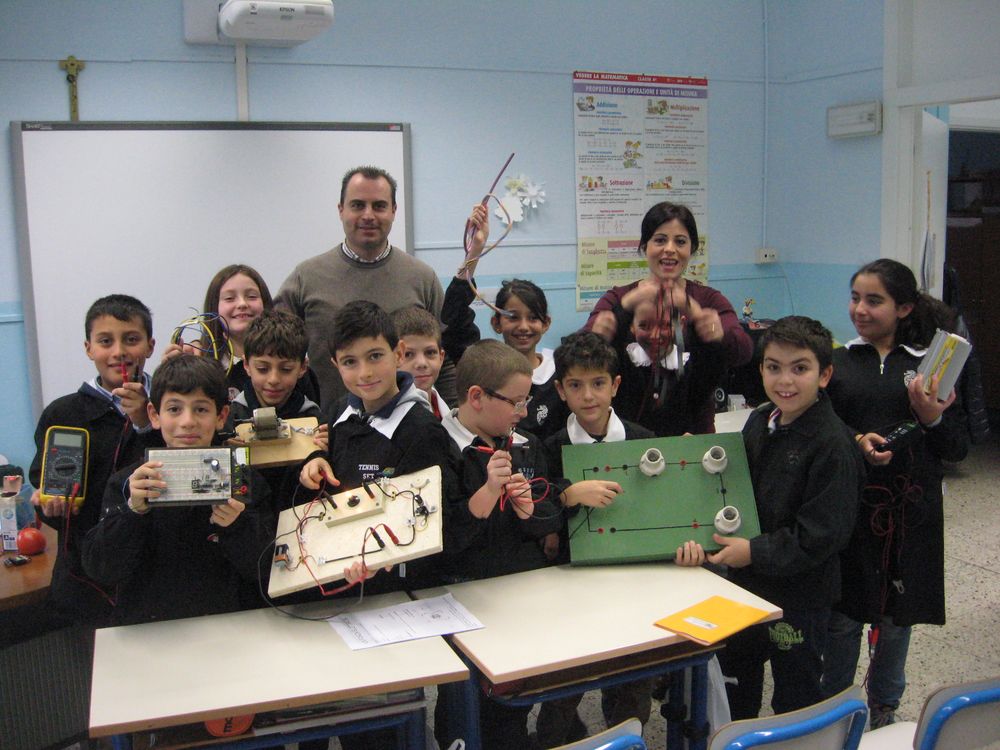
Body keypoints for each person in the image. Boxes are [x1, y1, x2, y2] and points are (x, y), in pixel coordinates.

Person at [676, 316, 861, 720]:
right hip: (748, 584)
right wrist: (700, 460)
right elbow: (736, 482)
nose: (785, 380)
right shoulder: (761, 419)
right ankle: (739, 738)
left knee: (796, 692)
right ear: (760, 370)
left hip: (800, 596)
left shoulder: (833, 445)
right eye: (774, 367)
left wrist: (753, 552)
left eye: (800, 368)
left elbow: (821, 535)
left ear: (824, 375)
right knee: (737, 677)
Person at [821, 259, 968, 728]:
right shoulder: (838, 363)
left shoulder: (930, 367)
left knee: (895, 617)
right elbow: (822, 429)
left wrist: (931, 418)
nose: (859, 310)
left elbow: (957, 448)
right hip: (851, 511)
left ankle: (885, 706)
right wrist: (855, 440)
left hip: (909, 513)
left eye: (874, 300)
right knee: (843, 615)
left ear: (903, 307)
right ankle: (833, 708)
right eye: (855, 298)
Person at [435, 339, 563, 750]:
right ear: (476, 397)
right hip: (464, 601)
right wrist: (490, 491)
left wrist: (529, 511)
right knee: (462, 704)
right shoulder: (440, 448)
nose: (522, 412)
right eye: (516, 402)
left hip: (518, 599)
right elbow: (445, 538)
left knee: (511, 704)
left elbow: (549, 517)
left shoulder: (524, 444)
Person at [81, 355, 274, 625]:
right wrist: (133, 512)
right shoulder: (131, 483)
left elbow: (267, 568)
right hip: (150, 627)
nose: (187, 421)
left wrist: (236, 525)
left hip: (227, 625)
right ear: (154, 415)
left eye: (201, 409)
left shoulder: (242, 478)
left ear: (221, 416)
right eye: (174, 409)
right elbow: (101, 569)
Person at [534, 331, 652, 747]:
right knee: (566, 684)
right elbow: (537, 513)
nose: (588, 396)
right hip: (571, 586)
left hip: (634, 584)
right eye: (576, 385)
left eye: (598, 383)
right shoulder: (548, 448)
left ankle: (629, 739)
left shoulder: (643, 441)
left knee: (633, 682)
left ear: (615, 385)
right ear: (560, 390)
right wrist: (566, 497)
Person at [298, 300, 460, 593]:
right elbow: (328, 464)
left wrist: (380, 555)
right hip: (343, 568)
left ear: (398, 353)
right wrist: (316, 458)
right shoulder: (338, 412)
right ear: (335, 364)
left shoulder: (423, 430)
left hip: (402, 584)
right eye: (350, 362)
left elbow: (433, 519)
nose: (365, 373)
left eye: (374, 356)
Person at [27, 294, 158, 630]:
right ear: (89, 349)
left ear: (150, 346)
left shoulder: (168, 407)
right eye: (105, 341)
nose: (119, 351)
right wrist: (51, 507)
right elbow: (46, 484)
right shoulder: (63, 414)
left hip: (153, 576)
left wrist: (145, 423)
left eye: (131, 339)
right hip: (84, 579)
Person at [274, 166, 447, 410]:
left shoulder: (422, 278)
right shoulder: (306, 278)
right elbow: (274, 352)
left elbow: (446, 359)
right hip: (327, 424)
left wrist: (448, 422)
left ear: (394, 211)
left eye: (379, 206)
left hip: (408, 424)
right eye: (357, 205)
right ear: (341, 210)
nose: (368, 215)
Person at [584, 202, 752, 434]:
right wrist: (625, 307)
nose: (670, 249)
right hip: (624, 438)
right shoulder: (618, 298)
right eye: (660, 240)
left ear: (692, 249)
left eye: (680, 241)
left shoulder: (709, 300)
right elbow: (581, 350)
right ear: (645, 246)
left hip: (692, 437)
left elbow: (743, 351)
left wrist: (703, 321)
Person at [443, 206, 567, 441]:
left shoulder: (559, 371)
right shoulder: (483, 366)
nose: (524, 326)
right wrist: (476, 249)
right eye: (513, 317)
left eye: (533, 318)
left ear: (546, 323)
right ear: (496, 322)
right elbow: (454, 316)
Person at [163, 264, 321, 406]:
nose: (242, 304)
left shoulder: (295, 362)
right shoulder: (199, 360)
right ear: (214, 307)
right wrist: (171, 372)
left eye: (252, 297)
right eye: (229, 298)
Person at [228, 309, 323, 514]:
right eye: (263, 369)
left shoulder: (313, 418)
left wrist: (321, 454)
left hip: (301, 517)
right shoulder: (231, 418)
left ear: (303, 367)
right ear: (246, 365)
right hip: (246, 521)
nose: (273, 379)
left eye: (286, 369)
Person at [612, 295, 730, 436]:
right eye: (644, 326)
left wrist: (696, 313)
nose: (654, 335)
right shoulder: (622, 363)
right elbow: (613, 334)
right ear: (631, 326)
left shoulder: (692, 368)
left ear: (680, 324)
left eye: (664, 325)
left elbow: (715, 365)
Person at [391, 305, 448, 418]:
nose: (421, 363)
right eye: (408, 354)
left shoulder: (448, 414)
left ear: (441, 357)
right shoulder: (375, 423)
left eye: (430, 352)